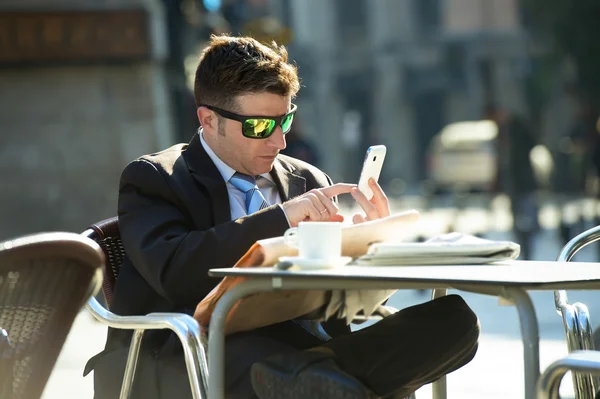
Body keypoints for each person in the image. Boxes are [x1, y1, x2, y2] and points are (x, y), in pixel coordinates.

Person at [86, 35, 479, 399]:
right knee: (274, 359)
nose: (280, 141)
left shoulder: (306, 178)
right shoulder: (155, 178)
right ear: (208, 120)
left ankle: (318, 380)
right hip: (196, 353)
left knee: (455, 322)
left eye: (285, 120)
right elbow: (176, 271)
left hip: (303, 342)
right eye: (260, 126)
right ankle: (322, 381)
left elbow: (346, 307)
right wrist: (282, 217)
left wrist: (369, 249)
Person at [484, 103, 539, 260]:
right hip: (512, 183)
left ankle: (529, 247)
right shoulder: (500, 133)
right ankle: (523, 249)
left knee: (529, 219)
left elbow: (531, 142)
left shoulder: (517, 128)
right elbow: (500, 160)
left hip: (524, 180)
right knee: (517, 221)